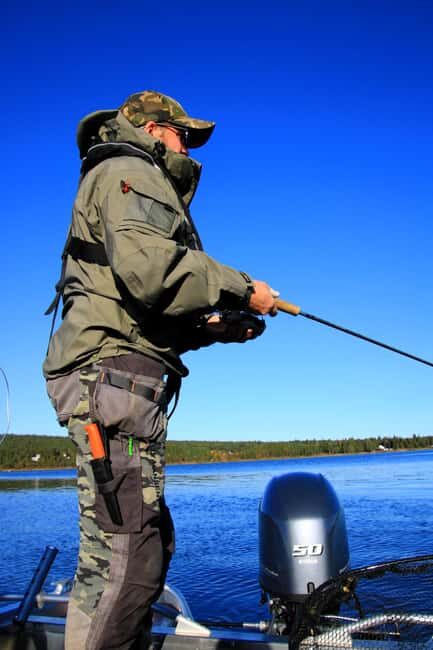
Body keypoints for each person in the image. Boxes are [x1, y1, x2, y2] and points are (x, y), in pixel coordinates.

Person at [43, 90, 277, 650]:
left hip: (117, 379)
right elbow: (152, 270)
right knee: (130, 557)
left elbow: (138, 306)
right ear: (152, 128)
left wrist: (213, 329)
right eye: (184, 135)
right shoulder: (131, 168)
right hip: (113, 383)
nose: (189, 147)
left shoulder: (121, 172)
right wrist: (246, 287)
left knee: (130, 548)